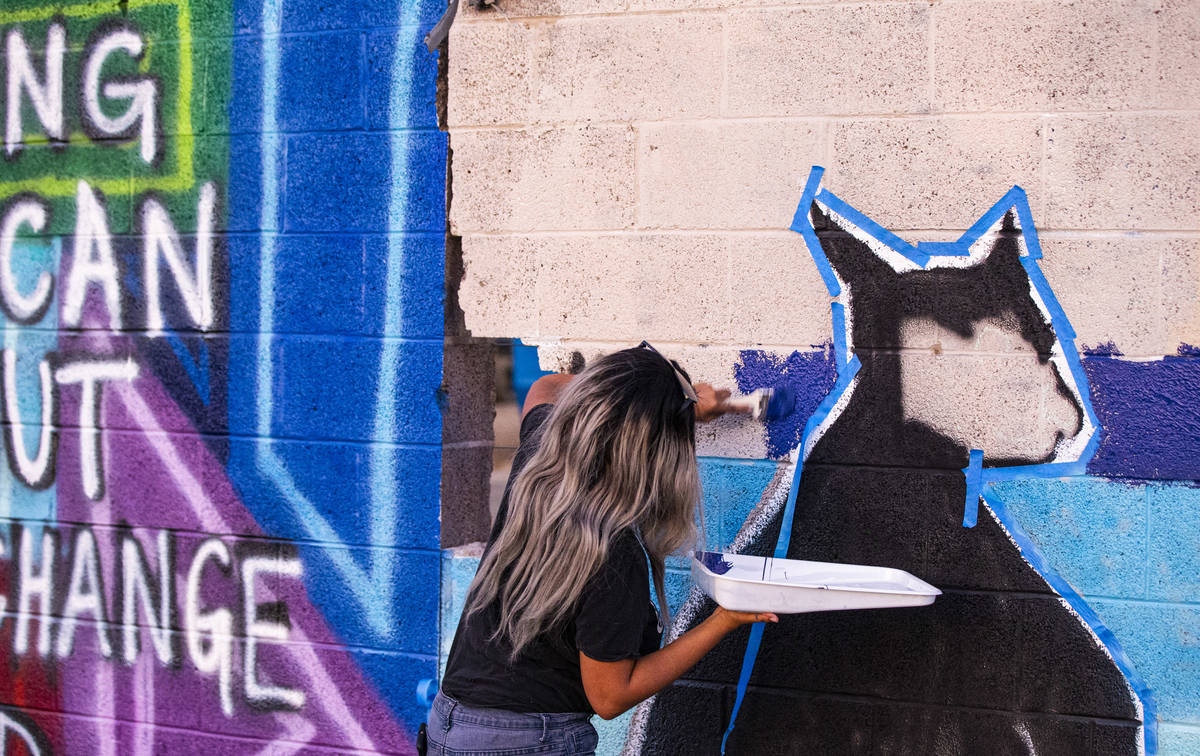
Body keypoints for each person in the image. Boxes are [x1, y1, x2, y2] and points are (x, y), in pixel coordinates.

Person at [430, 342, 778, 755]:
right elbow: (610, 696)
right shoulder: (614, 550)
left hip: (451, 724)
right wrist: (723, 621)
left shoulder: (540, 463)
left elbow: (545, 388)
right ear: (659, 453)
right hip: (524, 741)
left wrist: (661, 401)